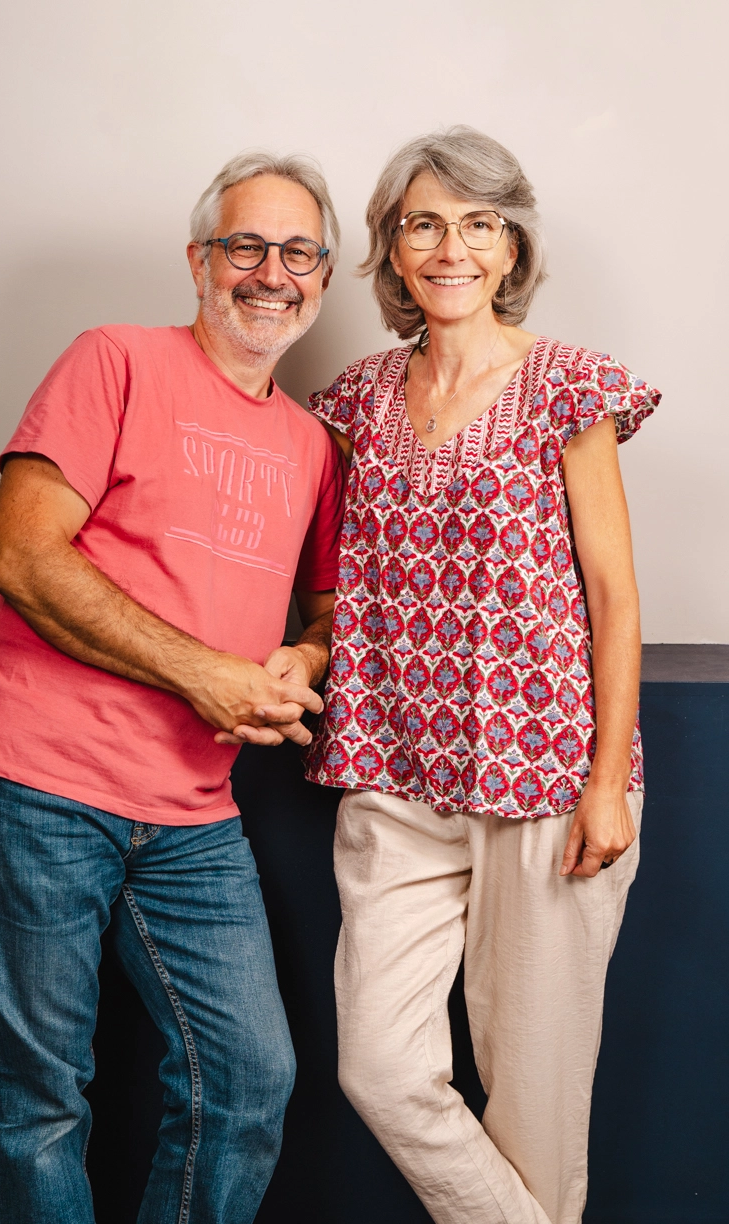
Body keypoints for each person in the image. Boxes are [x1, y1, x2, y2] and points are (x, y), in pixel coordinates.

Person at [0, 150, 346, 1224]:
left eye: (298, 251)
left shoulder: (311, 444)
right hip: (38, 784)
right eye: (245, 246)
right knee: (38, 1107)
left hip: (192, 817)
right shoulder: (113, 359)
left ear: (325, 274)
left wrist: (299, 664)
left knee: (250, 1082)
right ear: (199, 260)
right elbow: (21, 556)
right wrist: (206, 674)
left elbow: (324, 613)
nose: (272, 272)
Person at [302, 127, 660, 1224]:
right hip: (396, 778)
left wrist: (606, 781)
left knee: (535, 1109)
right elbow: (328, 570)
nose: (451, 247)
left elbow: (614, 596)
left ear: (511, 248)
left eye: (479, 223)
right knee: (379, 1066)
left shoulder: (568, 386)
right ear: (393, 252)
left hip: (546, 782)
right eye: (423, 223)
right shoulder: (356, 398)